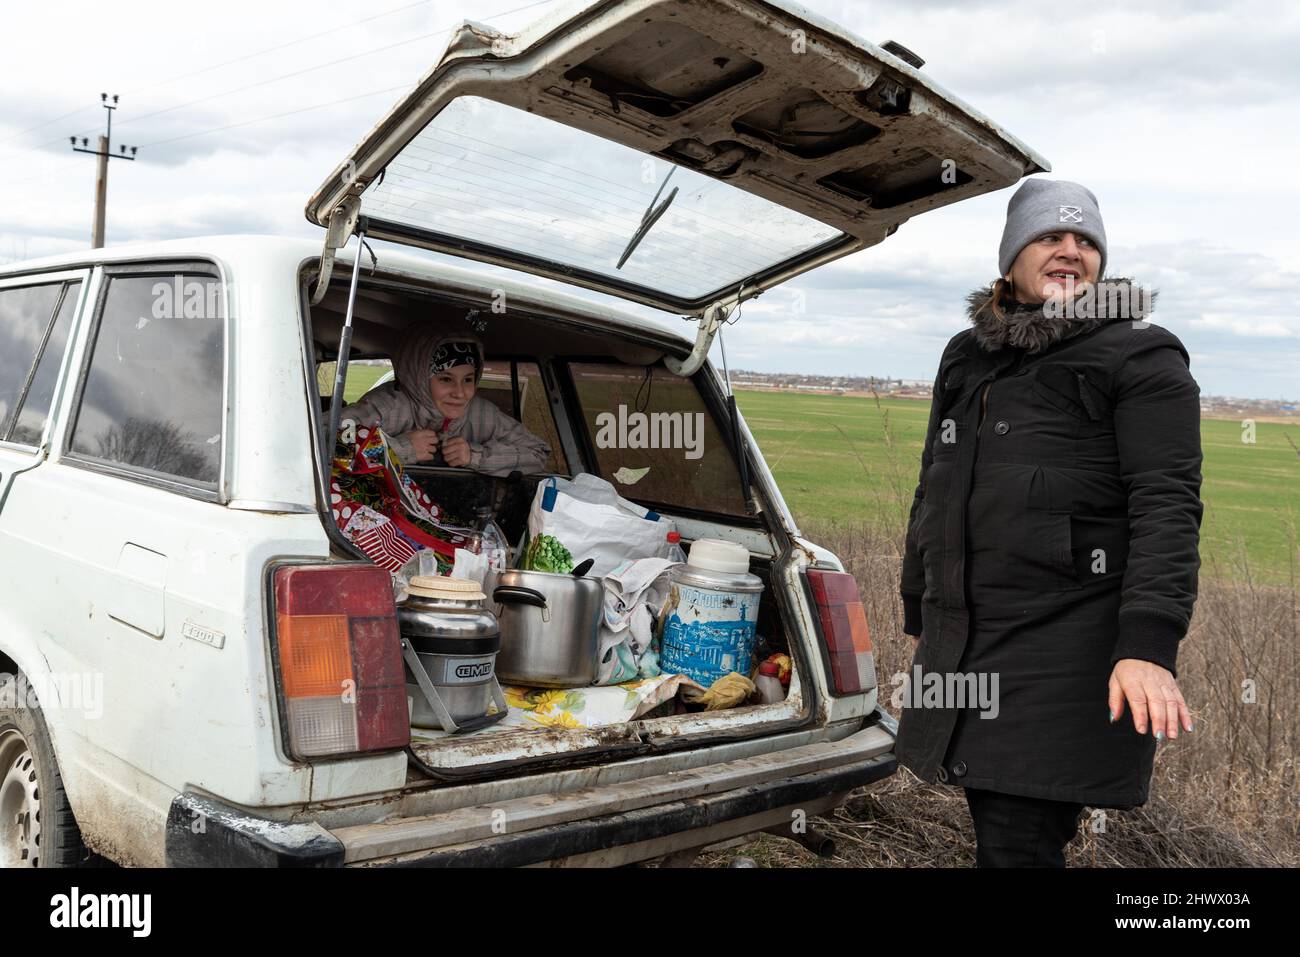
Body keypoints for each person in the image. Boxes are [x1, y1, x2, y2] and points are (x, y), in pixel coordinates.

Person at [895, 179, 1203, 867]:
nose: (1071, 251)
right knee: (997, 826)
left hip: (1067, 648)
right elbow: (936, 483)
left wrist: (1148, 644)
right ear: (1011, 256)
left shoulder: (1140, 355)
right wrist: (921, 600)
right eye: (1051, 237)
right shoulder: (966, 355)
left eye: (1086, 240)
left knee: (1019, 833)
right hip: (970, 638)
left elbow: (1168, 502)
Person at [340, 325, 551, 477]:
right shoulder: (388, 407)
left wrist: (475, 456)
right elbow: (325, 440)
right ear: (420, 378)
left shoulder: (481, 414)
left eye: (468, 380)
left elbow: (538, 453)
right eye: (446, 379)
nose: (460, 393)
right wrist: (402, 448)